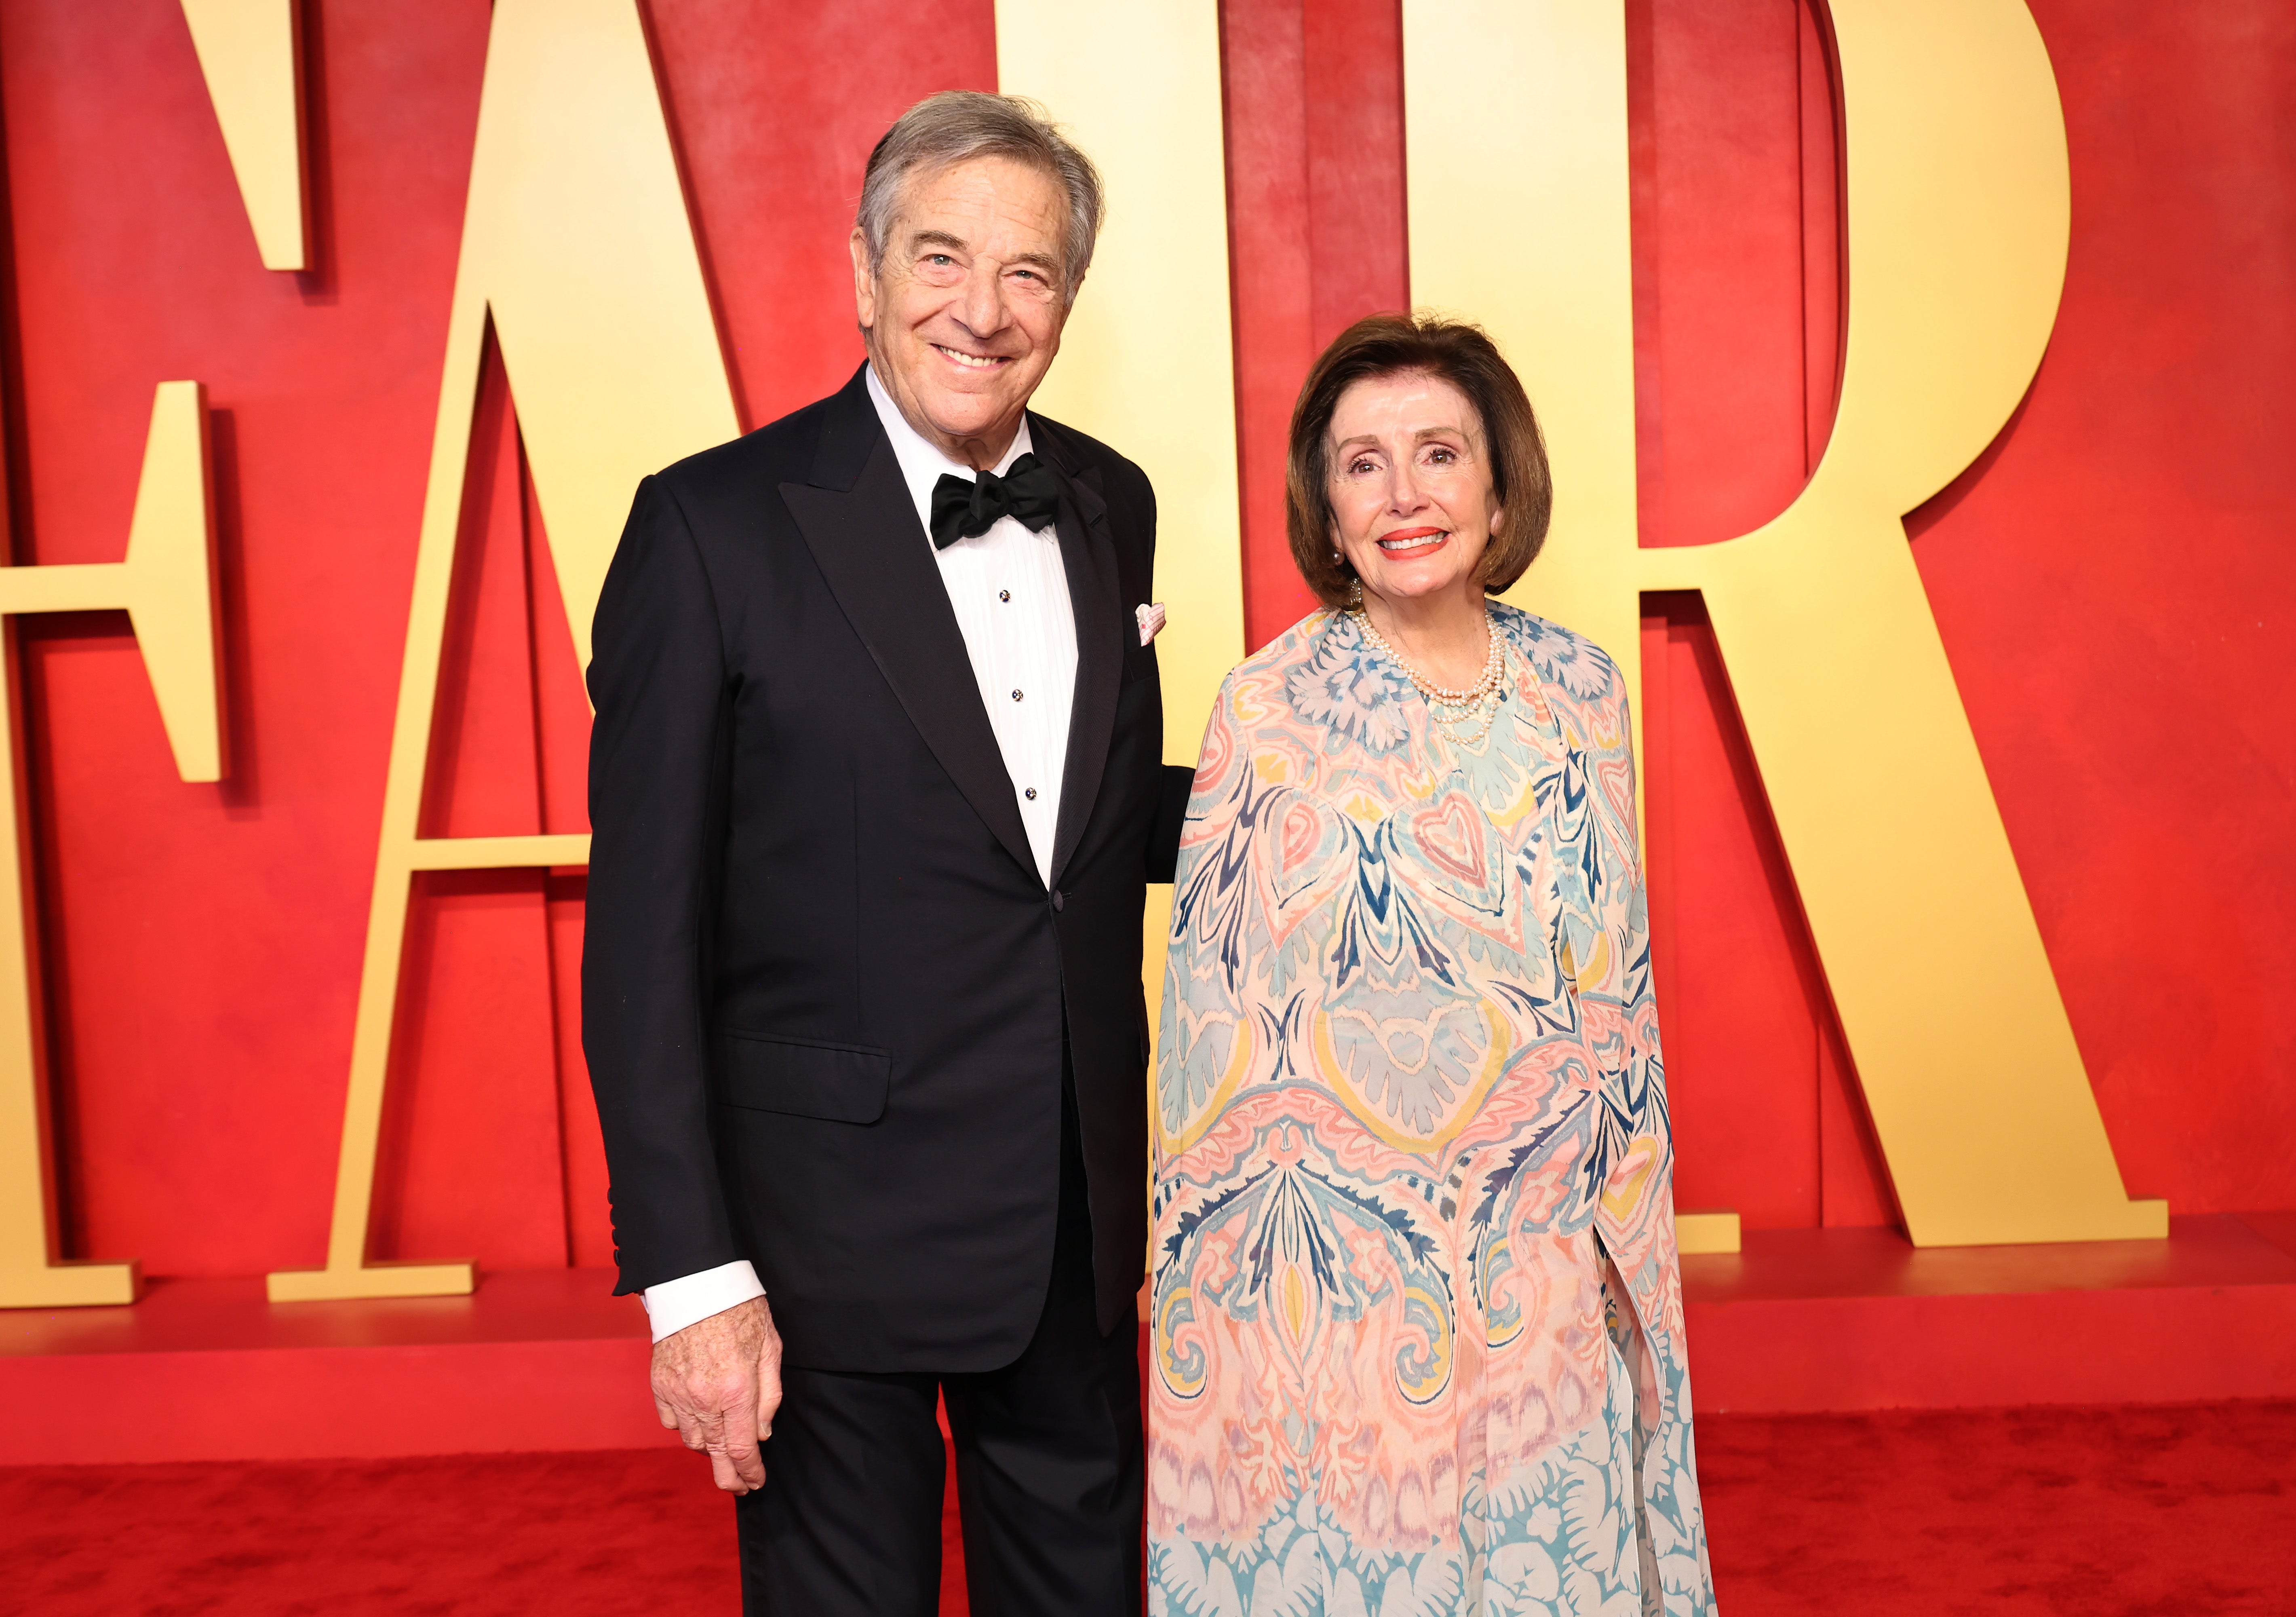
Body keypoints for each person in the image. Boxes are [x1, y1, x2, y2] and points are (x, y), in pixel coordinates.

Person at [584, 92, 1189, 1615]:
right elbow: (641, 936)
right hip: (819, 1235)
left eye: (1030, 274)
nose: (981, 312)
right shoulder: (707, 528)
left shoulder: (1113, 501)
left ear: (1070, 301)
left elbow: (1082, 828)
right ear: (863, 273)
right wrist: (694, 1281)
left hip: (1069, 1214)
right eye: (939, 257)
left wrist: (1364, 772)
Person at [1147, 314, 1719, 1613]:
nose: (1404, 496)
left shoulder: (1583, 686)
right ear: (1325, 504)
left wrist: (1616, 1229)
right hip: (1357, 1276)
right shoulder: (1269, 707)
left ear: (1500, 482)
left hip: (1556, 1249)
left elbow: (1614, 986)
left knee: (1550, 1564)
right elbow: (1221, 1036)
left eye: (1438, 454)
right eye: (1362, 464)